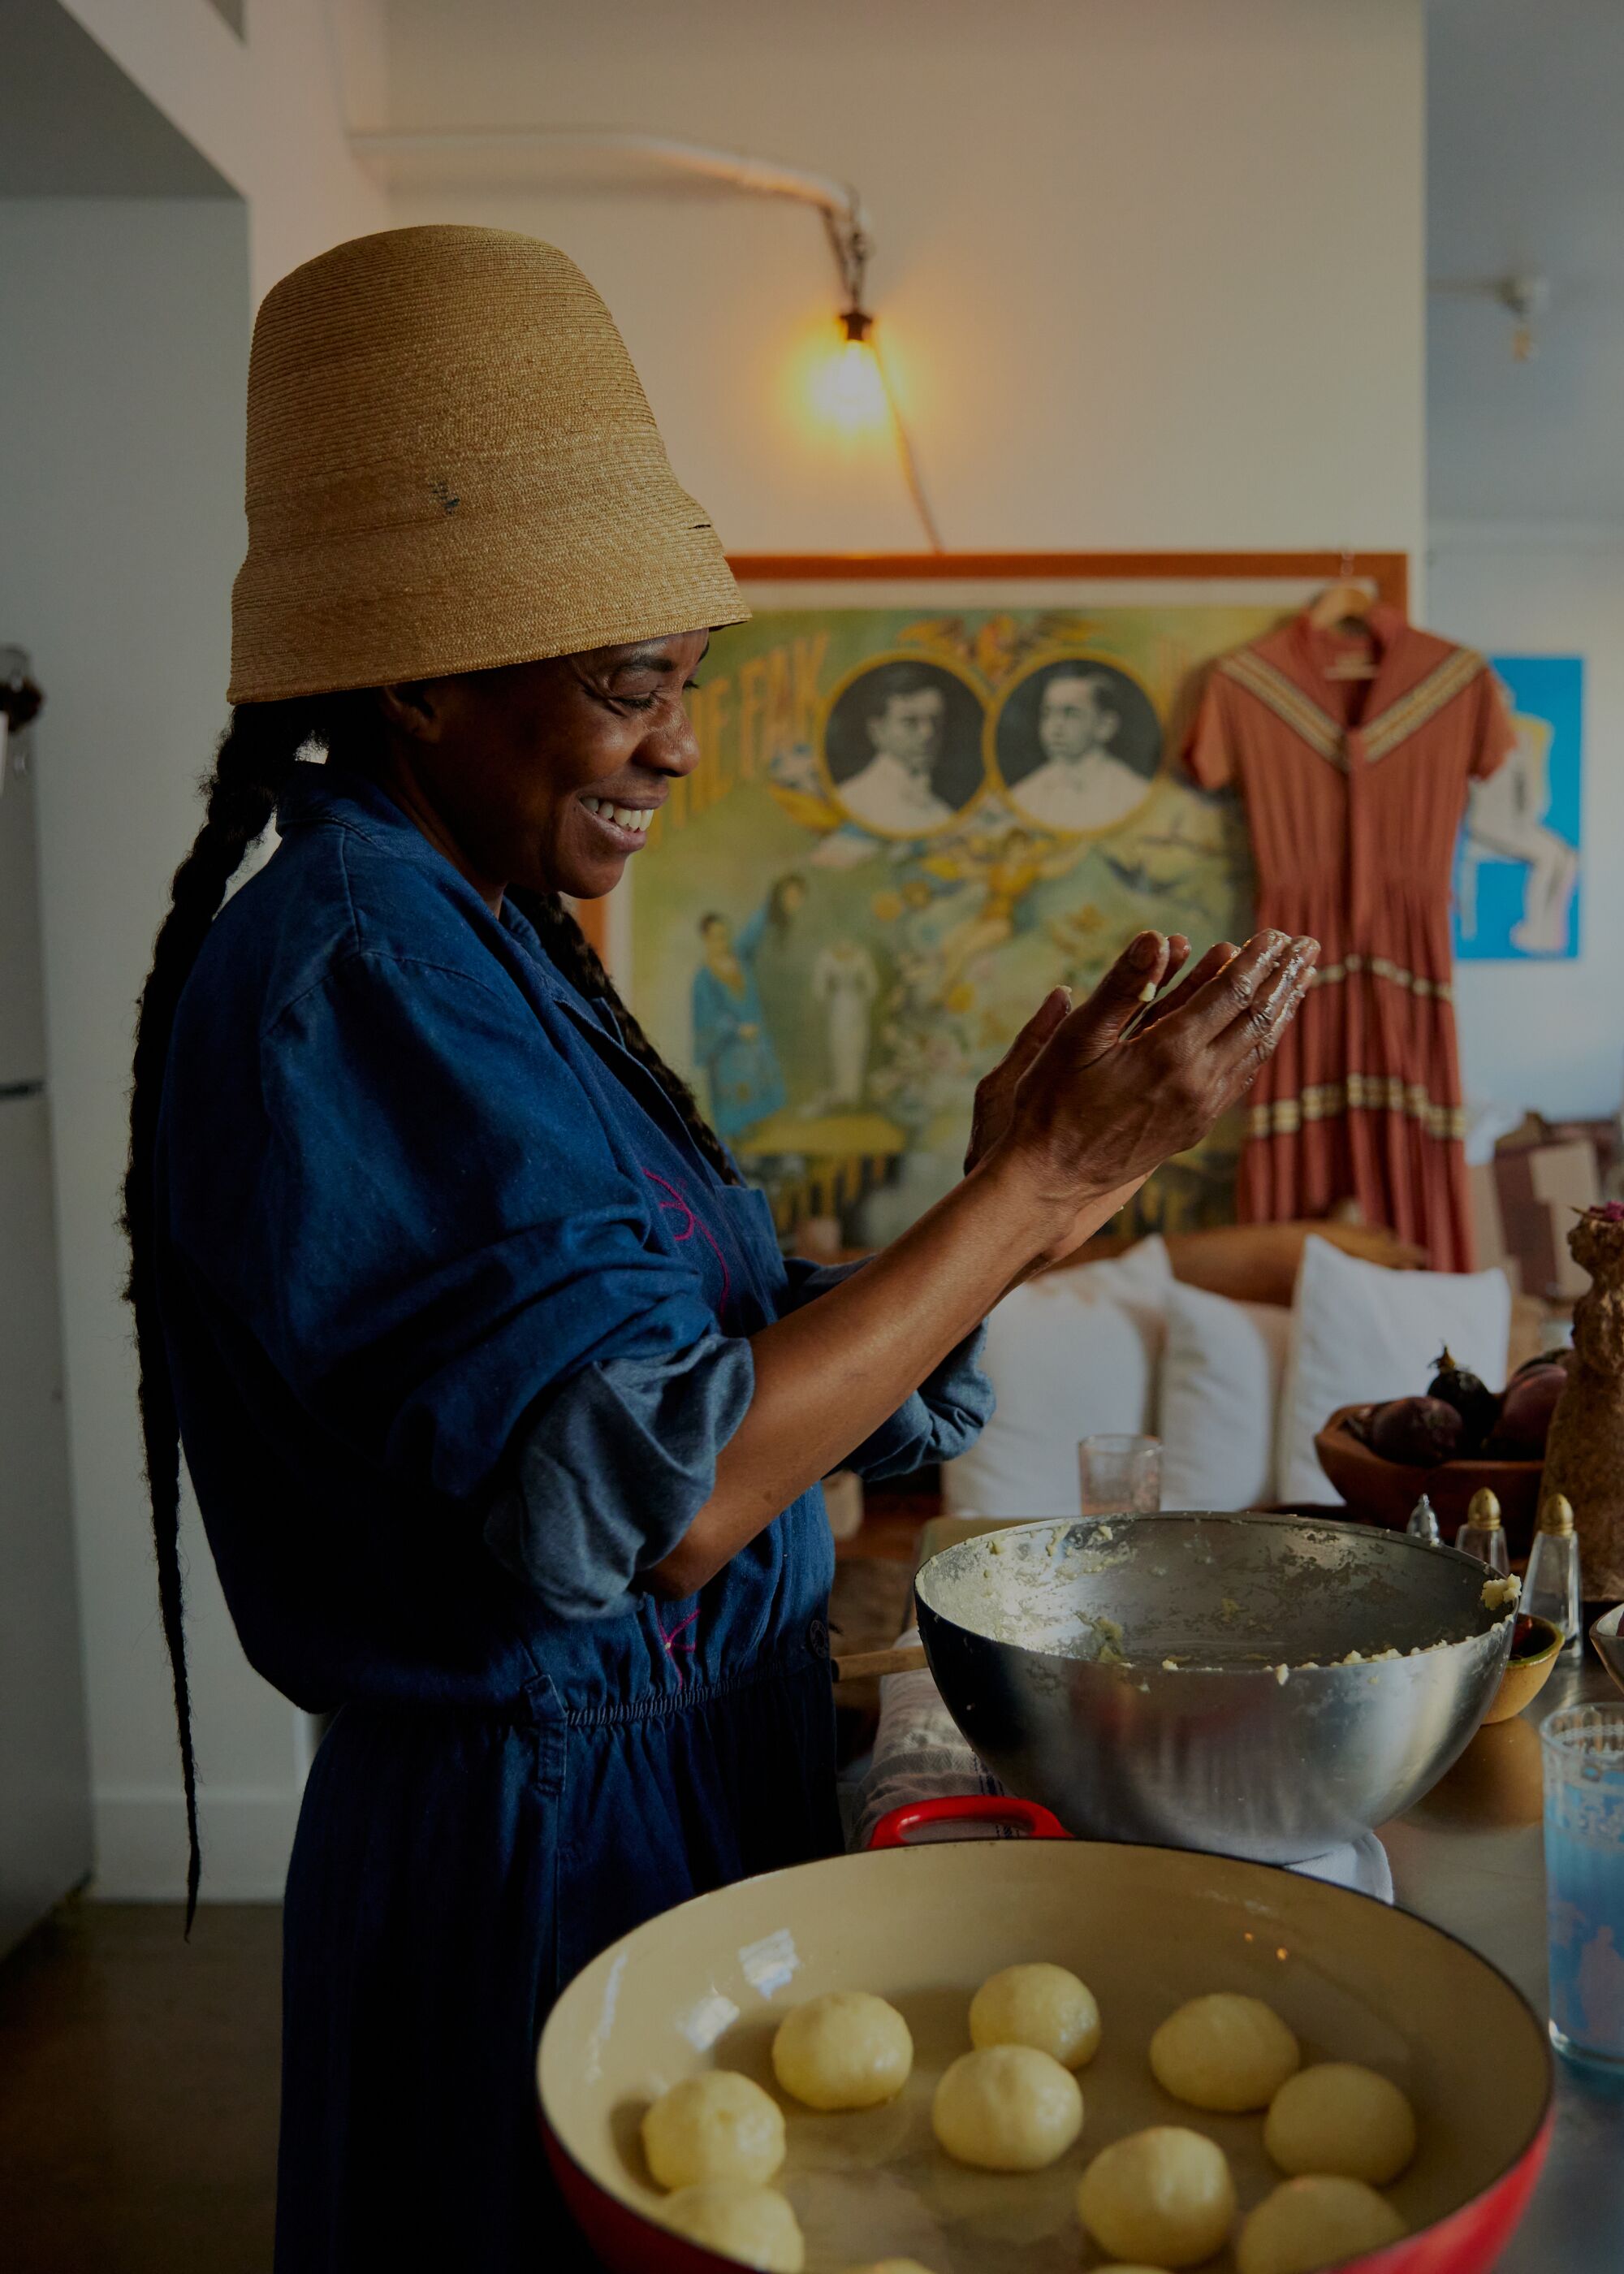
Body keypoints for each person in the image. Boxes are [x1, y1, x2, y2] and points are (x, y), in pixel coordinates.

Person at [123, 226, 1316, 2274]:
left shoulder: (481, 932)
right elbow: (654, 1496)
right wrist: (1016, 1195)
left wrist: (1023, 1207)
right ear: (419, 677)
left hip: (673, 1789)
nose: (677, 745)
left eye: (685, 686)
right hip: (538, 1861)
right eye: (627, 690)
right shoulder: (354, 963)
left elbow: (729, 1375)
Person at [1008, 667, 1151, 832]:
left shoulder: (1134, 793)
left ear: (1105, 726)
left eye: (1071, 714)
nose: (1056, 726)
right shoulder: (1024, 795)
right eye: (1047, 713)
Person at [693, 905, 788, 1139]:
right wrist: (736, 1029)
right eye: (716, 938)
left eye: (725, 936)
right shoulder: (704, 979)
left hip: (753, 1047)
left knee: (757, 1103)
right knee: (734, 1106)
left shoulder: (740, 962)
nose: (722, 942)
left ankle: (752, 1137)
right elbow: (707, 1018)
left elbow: (753, 933)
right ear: (706, 939)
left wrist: (772, 904)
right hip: (727, 1051)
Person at [836, 669, 957, 832]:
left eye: (935, 721)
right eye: (910, 722)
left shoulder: (942, 813)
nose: (928, 733)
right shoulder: (850, 802)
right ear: (877, 731)